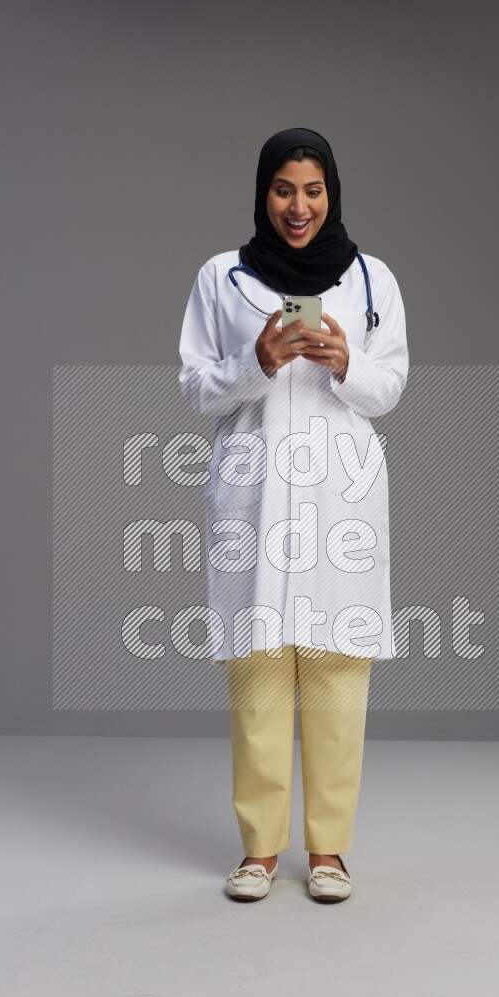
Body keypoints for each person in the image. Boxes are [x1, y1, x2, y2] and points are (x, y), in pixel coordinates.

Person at [178, 127, 408, 903]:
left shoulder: (371, 279)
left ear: (331, 193)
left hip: (339, 495)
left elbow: (392, 388)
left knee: (339, 671)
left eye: (312, 190)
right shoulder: (222, 277)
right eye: (284, 190)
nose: (299, 207)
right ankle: (259, 852)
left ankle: (330, 852)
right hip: (254, 492)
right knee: (259, 672)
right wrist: (258, 364)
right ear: (262, 194)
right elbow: (196, 387)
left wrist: (346, 364)